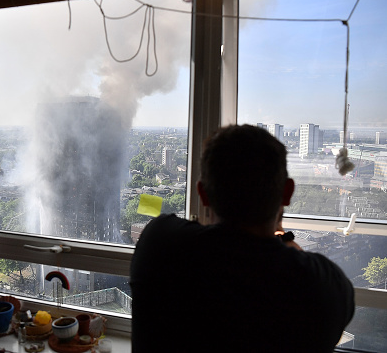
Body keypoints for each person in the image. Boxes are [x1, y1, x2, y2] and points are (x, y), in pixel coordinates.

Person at [130, 124, 354, 353]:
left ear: (202, 194)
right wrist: (282, 237)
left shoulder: (159, 245)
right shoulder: (323, 287)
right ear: (287, 193)